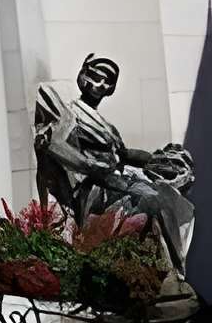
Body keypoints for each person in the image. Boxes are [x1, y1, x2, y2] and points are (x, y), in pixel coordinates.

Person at [34, 55, 195, 276]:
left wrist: (159, 160)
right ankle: (159, 271)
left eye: (107, 81)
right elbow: (58, 148)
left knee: (167, 198)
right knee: (152, 200)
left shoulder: (106, 125)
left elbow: (125, 154)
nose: (101, 84)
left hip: (118, 181)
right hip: (94, 189)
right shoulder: (69, 114)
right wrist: (97, 168)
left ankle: (167, 272)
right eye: (95, 77)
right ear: (83, 76)